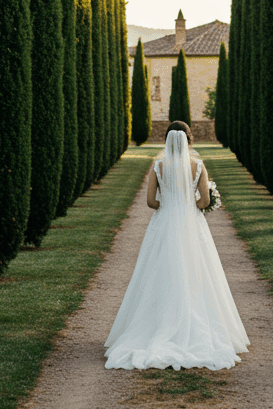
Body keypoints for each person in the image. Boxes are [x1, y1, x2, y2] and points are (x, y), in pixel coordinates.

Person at [104, 121, 249, 370]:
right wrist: (193, 203)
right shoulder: (198, 166)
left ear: (167, 141)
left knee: (157, 272)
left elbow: (151, 202)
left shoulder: (158, 166)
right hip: (192, 225)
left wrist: (168, 206)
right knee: (198, 272)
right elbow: (203, 201)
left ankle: (154, 326)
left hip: (164, 223)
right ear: (189, 141)